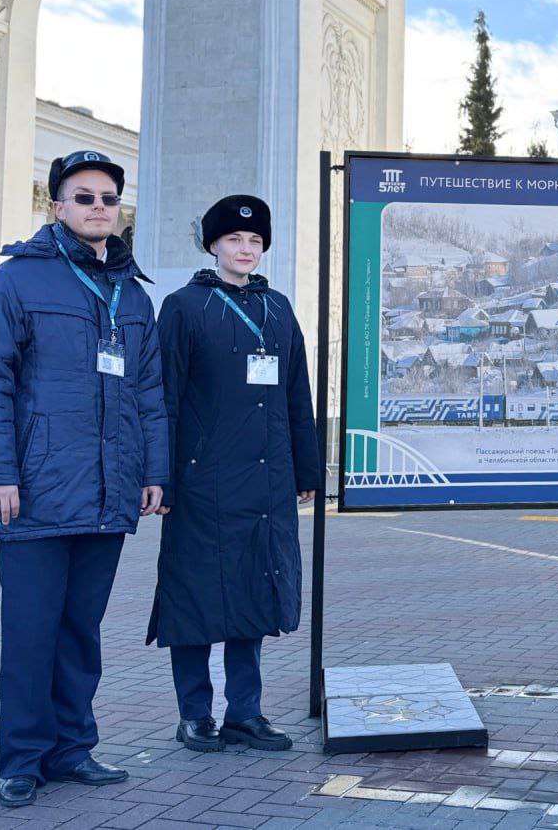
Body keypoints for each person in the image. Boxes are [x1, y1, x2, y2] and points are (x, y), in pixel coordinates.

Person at [0, 150, 168, 807]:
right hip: (34, 492)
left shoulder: (133, 295)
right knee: (30, 632)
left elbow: (148, 392)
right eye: (83, 197)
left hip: (109, 493)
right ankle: (22, 759)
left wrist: (152, 471)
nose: (98, 207)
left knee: (81, 631)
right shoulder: (17, 282)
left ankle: (73, 748)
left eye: (108, 197)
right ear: (57, 206)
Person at [149, 194, 321, 752]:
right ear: (213, 245)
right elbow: (163, 398)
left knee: (254, 592)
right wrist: (163, 476)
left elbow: (298, 395)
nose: (245, 249)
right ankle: (194, 713)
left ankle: (245, 712)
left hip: (267, 482)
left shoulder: (279, 309)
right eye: (233, 240)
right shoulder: (183, 307)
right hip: (201, 482)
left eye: (254, 241)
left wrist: (305, 468)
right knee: (196, 596)